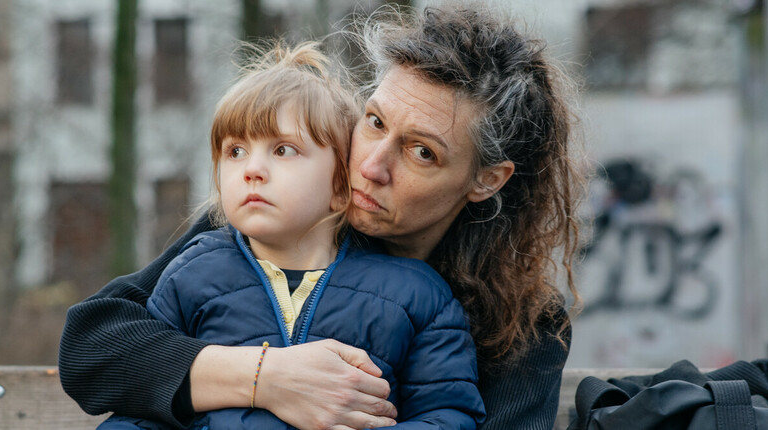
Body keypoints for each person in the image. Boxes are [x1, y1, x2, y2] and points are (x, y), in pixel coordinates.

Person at [59, 2, 583, 429]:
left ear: (486, 179)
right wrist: (266, 377)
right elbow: (91, 348)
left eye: (422, 152)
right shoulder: (261, 228)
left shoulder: (527, 327)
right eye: (375, 121)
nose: (371, 166)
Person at [97, 41, 485, 429]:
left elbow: (448, 414)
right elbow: (141, 408)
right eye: (235, 152)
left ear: (339, 185)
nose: (252, 169)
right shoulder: (191, 274)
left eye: (282, 150)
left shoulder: (416, 295)